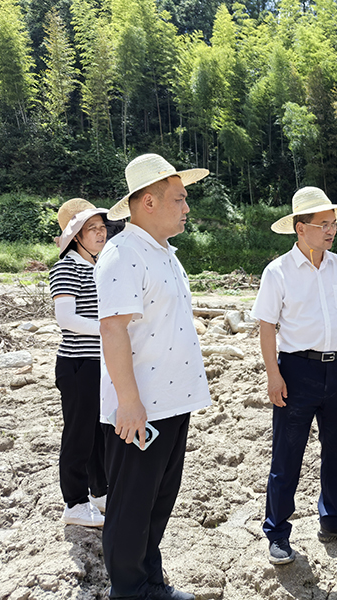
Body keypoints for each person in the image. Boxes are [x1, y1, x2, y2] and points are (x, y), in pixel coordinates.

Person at [95, 154, 210, 600]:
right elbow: (113, 329)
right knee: (132, 505)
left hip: (172, 399)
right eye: (179, 199)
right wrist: (129, 401)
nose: (186, 208)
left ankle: (150, 582)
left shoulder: (164, 253)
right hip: (142, 406)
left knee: (158, 500)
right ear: (148, 202)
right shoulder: (123, 254)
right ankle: (129, 589)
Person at [251, 186, 337, 565]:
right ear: (300, 228)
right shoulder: (278, 271)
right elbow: (266, 327)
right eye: (324, 224)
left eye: (334, 224)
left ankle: (333, 519)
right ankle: (277, 530)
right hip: (296, 371)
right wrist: (273, 375)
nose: (331, 230)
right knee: (287, 454)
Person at [50, 198, 110, 528]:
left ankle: (99, 493)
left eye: (102, 228)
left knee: (98, 432)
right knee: (78, 434)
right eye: (92, 229)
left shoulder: (97, 267)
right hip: (77, 363)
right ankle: (74, 502)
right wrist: (109, 329)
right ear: (76, 237)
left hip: (99, 362)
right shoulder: (66, 268)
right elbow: (66, 318)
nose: (101, 233)